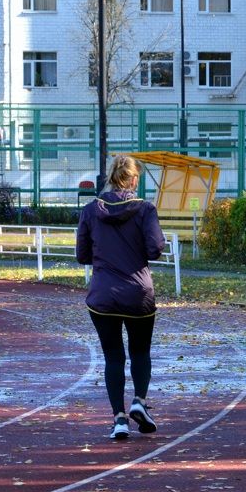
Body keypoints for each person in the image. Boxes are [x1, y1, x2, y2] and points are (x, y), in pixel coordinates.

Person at [76, 155, 167, 440]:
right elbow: (155, 250)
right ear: (134, 179)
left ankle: (119, 419)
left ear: (110, 177)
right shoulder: (145, 210)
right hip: (138, 294)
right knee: (140, 352)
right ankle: (139, 400)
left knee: (113, 357)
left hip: (103, 295)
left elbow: (82, 256)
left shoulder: (90, 210)